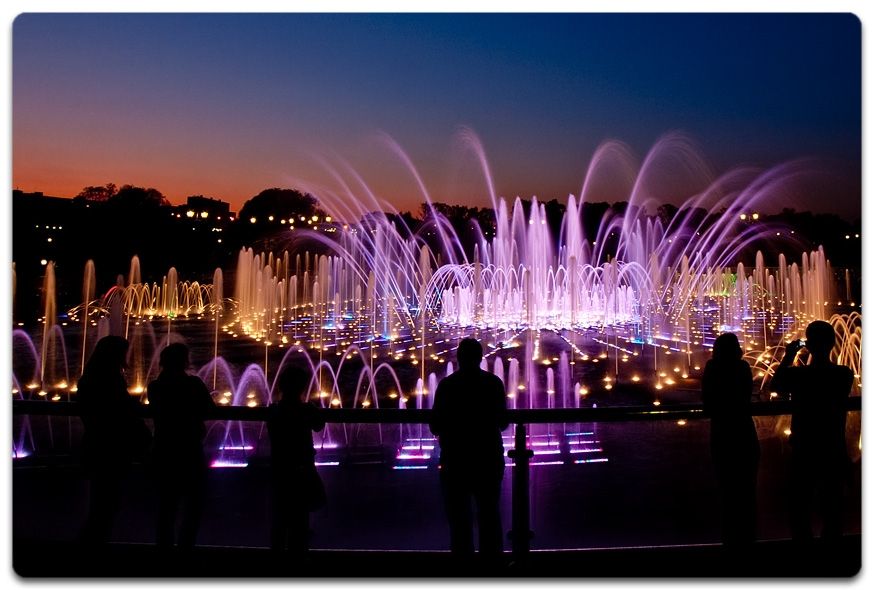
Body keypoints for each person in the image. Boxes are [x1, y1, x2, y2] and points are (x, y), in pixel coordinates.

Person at [770, 320, 854, 543]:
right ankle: (832, 553)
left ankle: (804, 554)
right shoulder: (843, 374)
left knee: (800, 504)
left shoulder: (799, 376)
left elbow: (775, 385)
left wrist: (789, 355)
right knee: (832, 505)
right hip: (833, 445)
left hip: (804, 445)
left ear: (808, 345)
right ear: (834, 343)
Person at [429, 338, 509, 563]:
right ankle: (492, 567)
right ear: (481, 357)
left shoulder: (447, 385)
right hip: (488, 458)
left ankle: (463, 568)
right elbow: (502, 422)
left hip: (455, 460)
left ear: (458, 358)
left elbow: (435, 424)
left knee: (459, 519)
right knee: (489, 514)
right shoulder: (493, 383)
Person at [76, 335, 151, 544]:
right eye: (122, 353)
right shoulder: (109, 380)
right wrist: (144, 438)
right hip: (109, 449)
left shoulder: (89, 378)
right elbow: (122, 412)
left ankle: (92, 545)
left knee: (100, 502)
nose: (125, 357)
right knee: (106, 503)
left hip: (95, 444)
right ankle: (92, 549)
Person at [147, 342, 216, 549]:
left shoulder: (155, 387)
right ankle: (186, 549)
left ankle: (164, 550)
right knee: (193, 504)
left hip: (164, 448)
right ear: (184, 362)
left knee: (166, 506)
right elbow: (209, 409)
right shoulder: (193, 384)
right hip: (190, 450)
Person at [701, 332, 760, 547]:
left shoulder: (713, 367)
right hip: (744, 431)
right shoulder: (743, 367)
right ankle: (749, 539)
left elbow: (707, 401)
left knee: (727, 489)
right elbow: (745, 396)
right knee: (747, 489)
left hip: (722, 433)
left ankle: (730, 540)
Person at [267, 366, 326, 556]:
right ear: (301, 388)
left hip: (280, 469)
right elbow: (319, 425)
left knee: (281, 517)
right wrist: (312, 408)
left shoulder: (274, 411)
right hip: (302, 469)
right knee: (300, 518)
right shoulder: (306, 410)